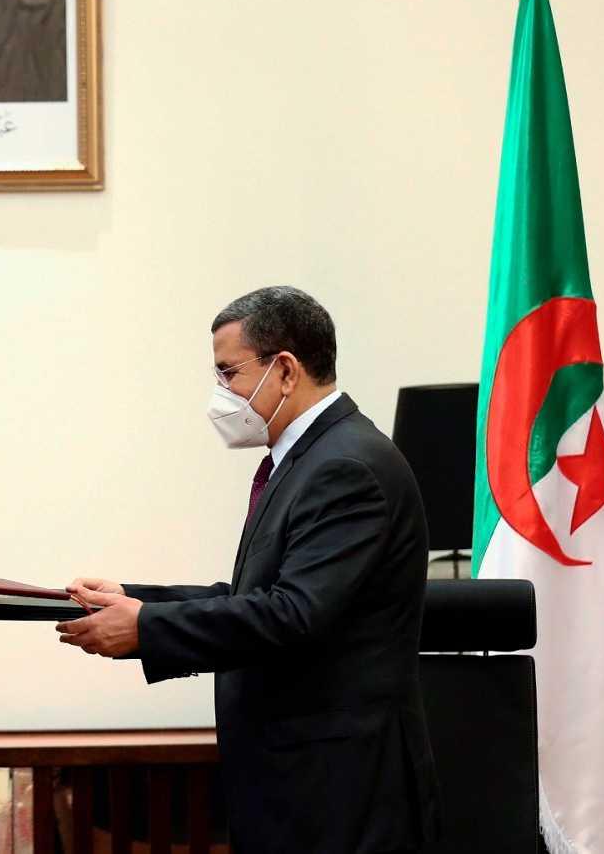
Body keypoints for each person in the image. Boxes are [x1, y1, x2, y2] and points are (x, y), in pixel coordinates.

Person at [56, 286, 440, 854]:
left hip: (341, 789)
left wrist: (146, 628)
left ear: (284, 370)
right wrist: (134, 599)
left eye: (228, 372)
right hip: (299, 783)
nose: (221, 394)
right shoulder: (309, 459)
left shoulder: (347, 466)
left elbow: (293, 614)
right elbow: (252, 595)